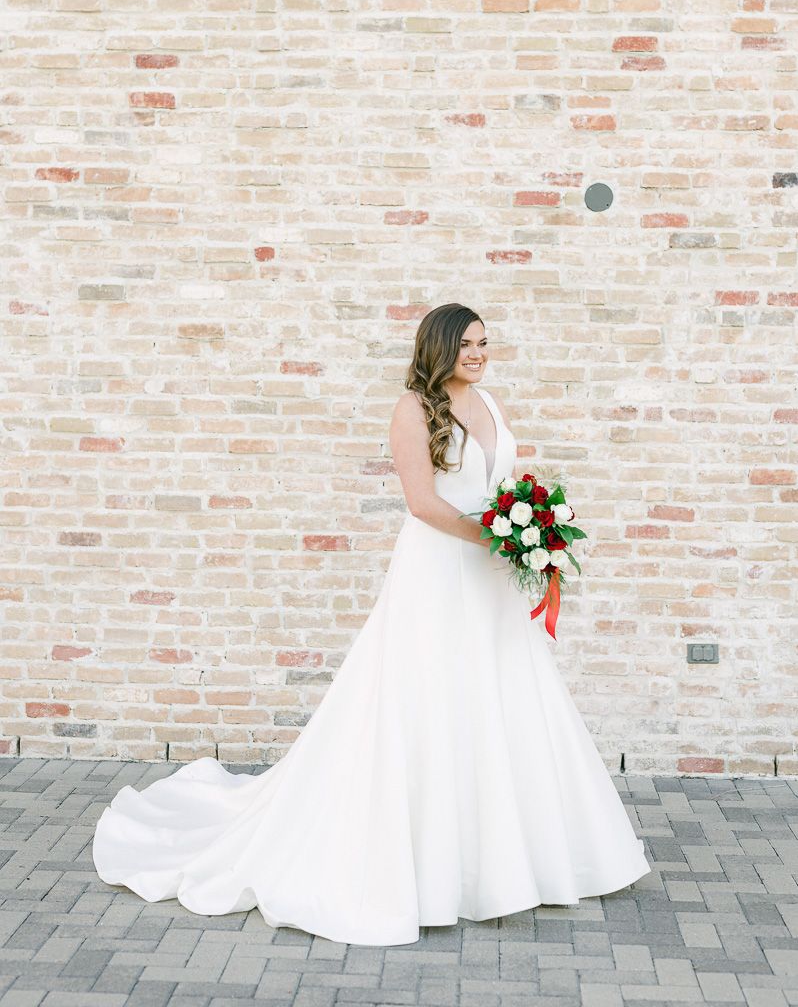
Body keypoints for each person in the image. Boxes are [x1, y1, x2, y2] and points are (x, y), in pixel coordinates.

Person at [92, 301, 651, 947]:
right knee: (428, 702)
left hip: (491, 581)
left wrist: (528, 522)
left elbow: (504, 481)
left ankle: (512, 856)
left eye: (484, 343)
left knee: (500, 699)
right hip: (439, 573)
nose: (477, 353)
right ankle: (426, 865)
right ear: (439, 346)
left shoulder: (490, 403)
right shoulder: (412, 410)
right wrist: (497, 537)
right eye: (466, 344)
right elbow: (422, 503)